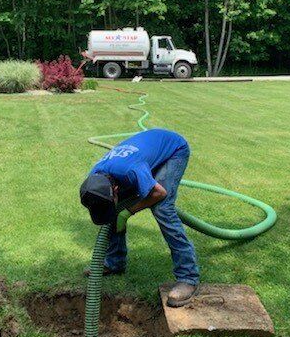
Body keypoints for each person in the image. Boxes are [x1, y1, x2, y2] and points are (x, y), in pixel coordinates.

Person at [80, 128, 200, 307]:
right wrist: (117, 212)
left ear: (115, 190)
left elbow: (159, 193)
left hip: (173, 149)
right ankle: (115, 262)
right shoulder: (95, 177)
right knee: (112, 210)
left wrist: (128, 211)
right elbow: (107, 205)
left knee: (162, 209)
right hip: (144, 155)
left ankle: (188, 277)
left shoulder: (130, 171)